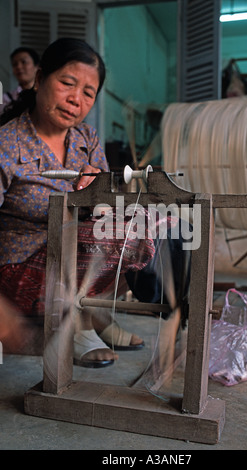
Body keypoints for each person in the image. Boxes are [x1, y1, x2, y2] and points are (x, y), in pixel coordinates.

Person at [0, 38, 156, 368]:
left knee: (144, 220)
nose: (76, 99)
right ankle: (78, 323)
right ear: (40, 79)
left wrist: (99, 185)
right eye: (67, 83)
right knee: (114, 236)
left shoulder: (85, 139)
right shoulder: (7, 143)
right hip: (19, 270)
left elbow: (108, 206)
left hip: (70, 260)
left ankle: (94, 314)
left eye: (88, 92)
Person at [0, 47, 40, 115]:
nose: (19, 67)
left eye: (24, 62)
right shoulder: (5, 99)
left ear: (37, 66)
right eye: (15, 64)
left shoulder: (44, 96)